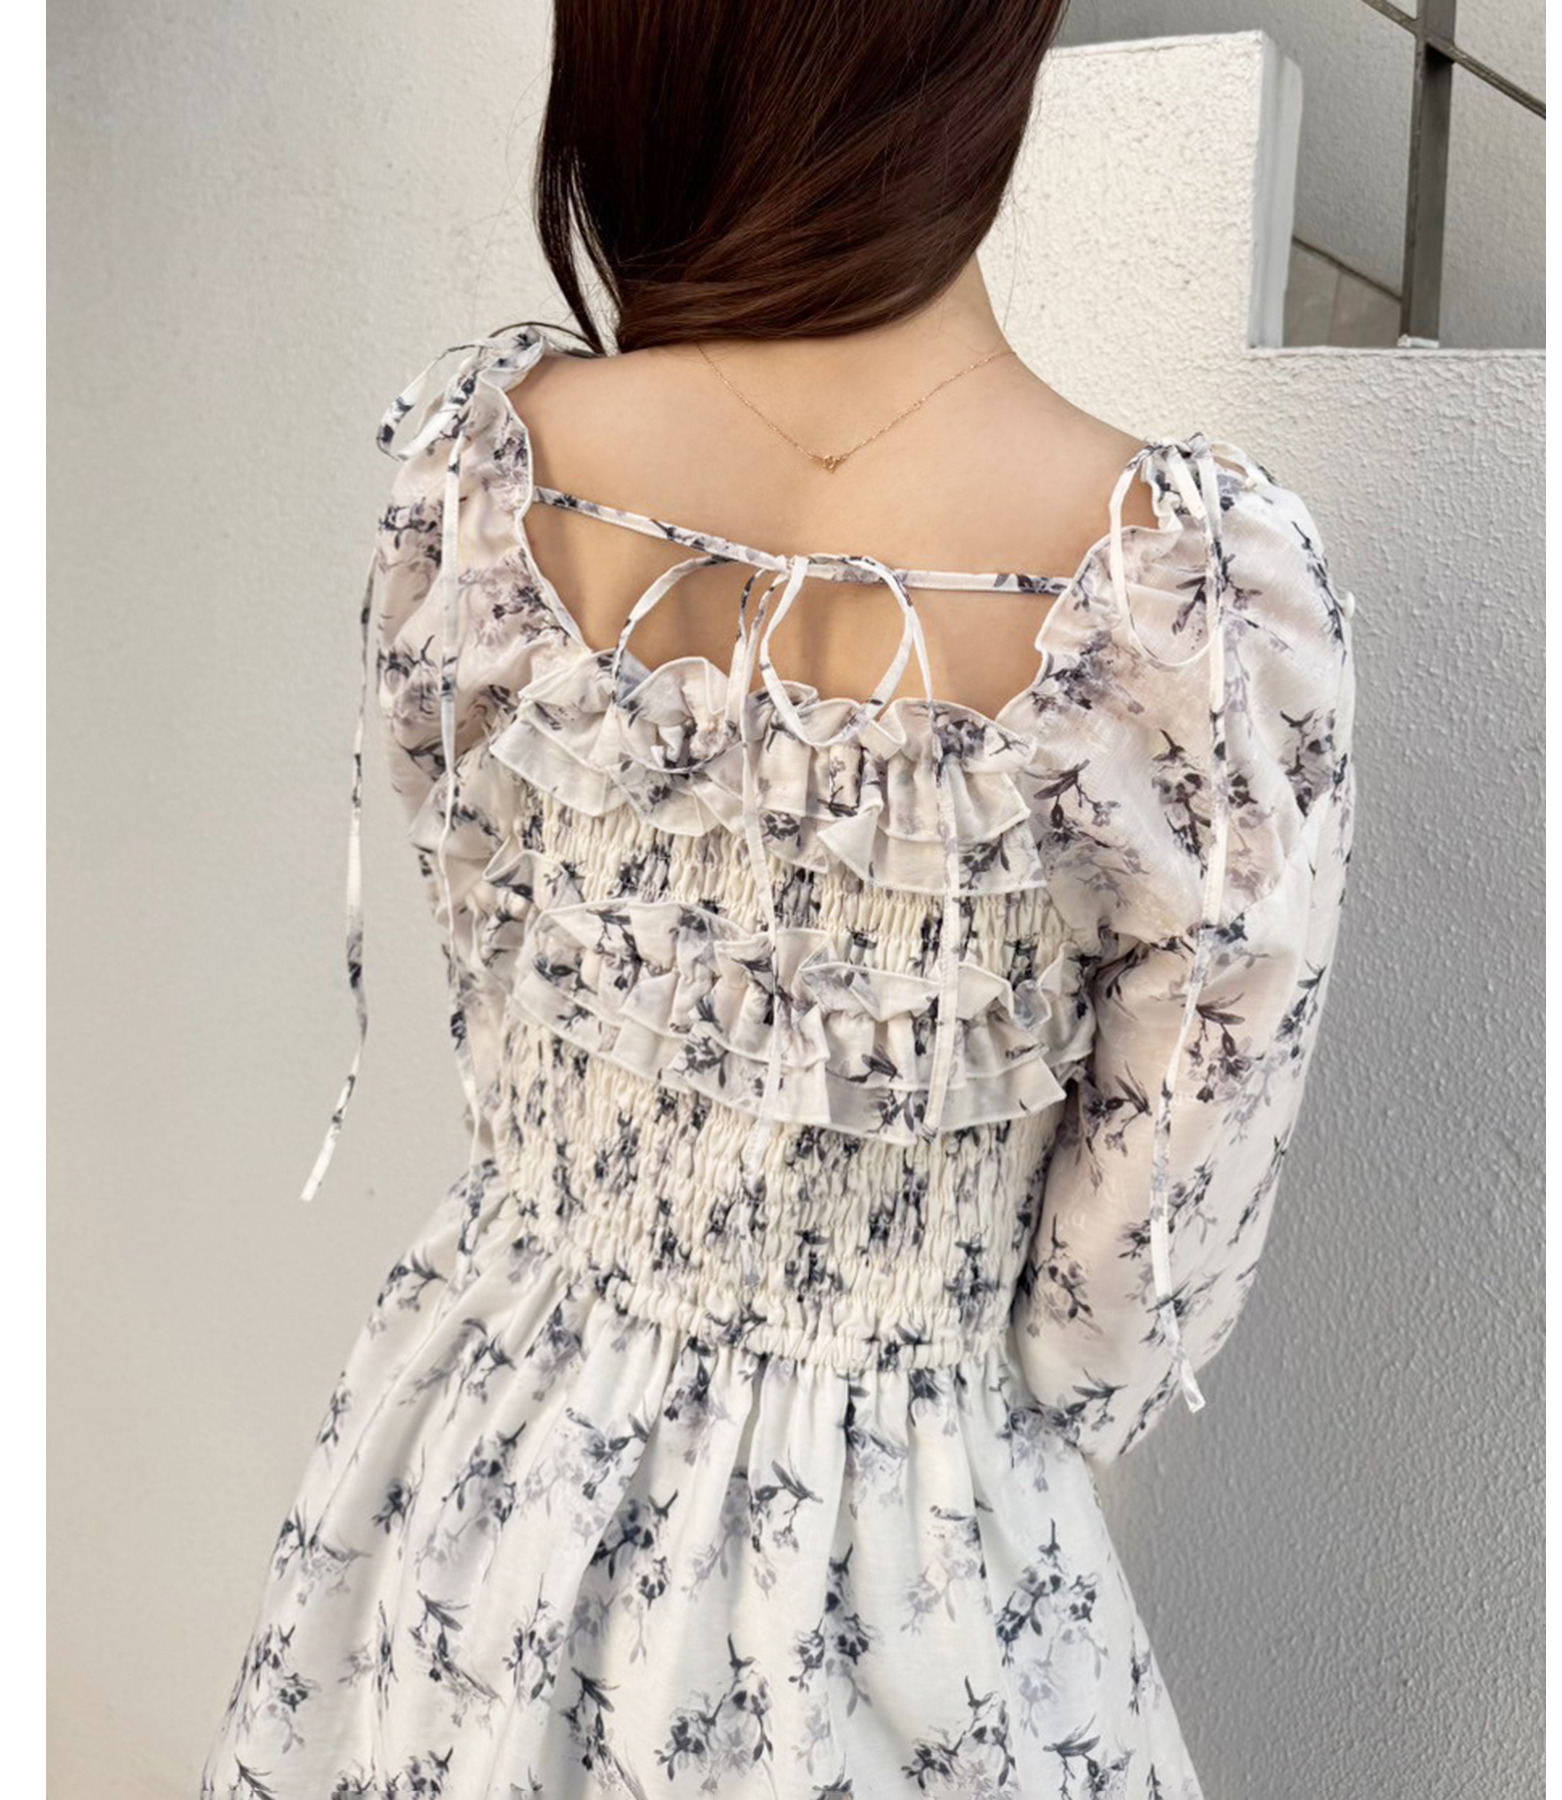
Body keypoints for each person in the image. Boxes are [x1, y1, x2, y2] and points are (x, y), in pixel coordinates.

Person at [201, 3, 1358, 1795]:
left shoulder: (485, 475)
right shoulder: (1194, 607)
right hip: (905, 1550)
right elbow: (1120, 1295)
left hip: (493, 1470)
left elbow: (492, 981)